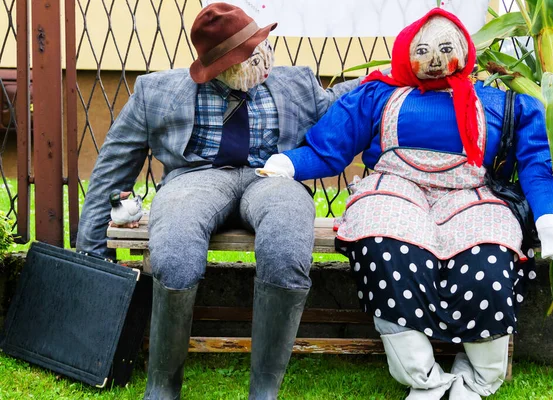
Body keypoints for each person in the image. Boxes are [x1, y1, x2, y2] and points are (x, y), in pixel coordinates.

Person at [259, 8, 553, 400]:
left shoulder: (503, 105)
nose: (436, 59)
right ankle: (422, 377)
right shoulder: (376, 95)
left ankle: (477, 377)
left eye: (445, 48)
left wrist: (550, 216)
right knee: (385, 247)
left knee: (488, 257)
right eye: (424, 49)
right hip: (396, 189)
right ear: (407, 52)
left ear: (464, 49)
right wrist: (291, 163)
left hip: (471, 195)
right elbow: (329, 147)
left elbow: (537, 166)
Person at [75, 3, 360, 399]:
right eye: (247, 56)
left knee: (286, 241)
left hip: (273, 175)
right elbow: (113, 164)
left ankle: (264, 391)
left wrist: (383, 81)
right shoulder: (156, 92)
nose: (260, 61)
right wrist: (92, 254)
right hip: (196, 177)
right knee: (173, 251)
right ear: (218, 66)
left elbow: (343, 108)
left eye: (261, 47)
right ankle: (162, 387)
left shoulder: (297, 82)